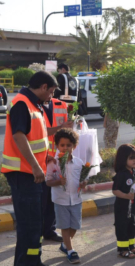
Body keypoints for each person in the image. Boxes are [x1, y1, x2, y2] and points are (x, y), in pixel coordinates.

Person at [1, 71, 58, 266]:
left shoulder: (34, 104)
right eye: (51, 92)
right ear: (43, 87)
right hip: (23, 174)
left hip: (30, 173)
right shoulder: (22, 103)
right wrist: (35, 166)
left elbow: (35, 139)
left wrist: (45, 157)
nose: (51, 96)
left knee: (35, 224)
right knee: (28, 225)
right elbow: (19, 136)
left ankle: (34, 261)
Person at [45, 128, 86, 264]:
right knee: (65, 227)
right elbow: (48, 181)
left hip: (76, 199)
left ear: (74, 146)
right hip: (60, 200)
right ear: (57, 146)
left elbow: (82, 178)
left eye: (69, 145)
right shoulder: (53, 163)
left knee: (74, 226)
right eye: (62, 145)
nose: (65, 148)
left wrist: (84, 183)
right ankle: (70, 251)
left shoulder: (79, 162)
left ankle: (65, 245)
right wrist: (58, 181)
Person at [42, 95, 69, 243]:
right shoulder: (32, 106)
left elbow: (64, 134)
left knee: (53, 197)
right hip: (41, 160)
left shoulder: (61, 105)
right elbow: (37, 134)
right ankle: (38, 231)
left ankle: (49, 230)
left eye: (53, 90)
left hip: (58, 159)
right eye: (49, 90)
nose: (51, 94)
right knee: (42, 198)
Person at [112, 144, 135, 259]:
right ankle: (123, 249)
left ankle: (131, 246)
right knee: (122, 226)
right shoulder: (121, 174)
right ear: (123, 159)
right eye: (131, 158)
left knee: (132, 225)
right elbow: (115, 190)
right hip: (122, 207)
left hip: (132, 207)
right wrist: (126, 196)